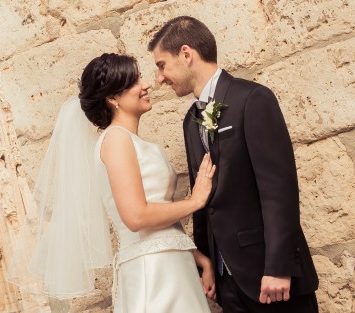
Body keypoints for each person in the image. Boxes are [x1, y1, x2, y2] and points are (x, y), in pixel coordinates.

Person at [11, 53, 215, 312]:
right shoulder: (116, 140)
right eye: (134, 81)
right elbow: (137, 217)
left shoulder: (131, 141)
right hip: (152, 273)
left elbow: (161, 222)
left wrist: (200, 260)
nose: (146, 85)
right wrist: (195, 201)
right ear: (112, 98)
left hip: (172, 266)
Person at [148, 16, 320, 312]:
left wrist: (279, 267)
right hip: (228, 284)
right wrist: (207, 264)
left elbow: (278, 190)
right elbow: (204, 201)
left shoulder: (252, 99)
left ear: (186, 54)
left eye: (162, 65)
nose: (160, 78)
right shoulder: (191, 121)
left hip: (270, 277)